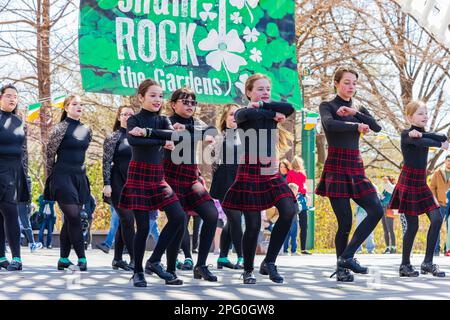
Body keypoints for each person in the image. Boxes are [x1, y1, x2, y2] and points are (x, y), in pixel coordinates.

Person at [222, 73, 297, 284]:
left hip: (270, 171)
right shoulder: (243, 112)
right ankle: (248, 269)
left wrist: (267, 109)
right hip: (250, 169)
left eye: (267, 89)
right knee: (254, 225)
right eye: (259, 89)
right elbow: (244, 116)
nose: (265, 93)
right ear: (248, 92)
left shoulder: (268, 110)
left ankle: (269, 262)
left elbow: (290, 108)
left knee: (289, 209)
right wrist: (269, 113)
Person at [315, 66, 384, 282]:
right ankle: (343, 268)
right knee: (344, 222)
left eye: (354, 83)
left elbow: (377, 127)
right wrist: (355, 126)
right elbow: (330, 124)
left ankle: (347, 257)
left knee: (376, 209)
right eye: (346, 82)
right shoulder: (327, 105)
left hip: (356, 165)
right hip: (336, 165)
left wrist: (356, 113)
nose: (350, 86)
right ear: (336, 83)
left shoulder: (358, 107)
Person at [119, 78, 187, 287]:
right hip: (139, 175)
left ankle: (155, 261)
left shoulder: (163, 120)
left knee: (178, 217)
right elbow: (135, 141)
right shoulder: (134, 120)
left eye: (160, 96)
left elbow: (174, 136)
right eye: (153, 95)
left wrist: (150, 134)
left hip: (158, 177)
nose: (158, 99)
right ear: (141, 97)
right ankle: (138, 271)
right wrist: (161, 140)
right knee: (144, 226)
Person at [163, 87, 219, 282]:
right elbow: (171, 136)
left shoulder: (195, 122)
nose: (190, 106)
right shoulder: (166, 121)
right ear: (173, 104)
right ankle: (170, 269)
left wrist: (188, 129)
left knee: (211, 214)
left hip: (191, 178)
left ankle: (201, 265)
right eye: (185, 102)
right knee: (178, 222)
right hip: (170, 178)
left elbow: (212, 132)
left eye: (193, 103)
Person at [389, 100, 448, 277]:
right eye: (421, 113)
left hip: (421, 183)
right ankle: (404, 265)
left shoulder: (422, 133)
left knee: (437, 218)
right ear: (409, 117)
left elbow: (437, 136)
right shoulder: (406, 134)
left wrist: (441, 139)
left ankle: (428, 263)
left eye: (426, 113)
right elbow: (421, 142)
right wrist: (439, 144)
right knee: (413, 226)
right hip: (408, 182)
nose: (425, 116)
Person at [44, 95, 92, 271]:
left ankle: (63, 259)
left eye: (81, 104)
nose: (79, 106)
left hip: (79, 177)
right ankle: (82, 257)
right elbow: (49, 155)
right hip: (61, 176)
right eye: (74, 104)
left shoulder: (87, 129)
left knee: (71, 220)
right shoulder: (60, 129)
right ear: (66, 107)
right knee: (74, 216)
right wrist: (50, 179)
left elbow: (83, 154)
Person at [210, 104, 244, 270]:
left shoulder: (245, 136)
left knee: (231, 221)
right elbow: (214, 161)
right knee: (235, 219)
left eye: (237, 114)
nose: (234, 117)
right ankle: (242, 256)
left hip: (242, 181)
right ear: (225, 118)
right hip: (225, 183)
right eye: (231, 114)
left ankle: (223, 257)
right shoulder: (220, 137)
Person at [0, 84, 30, 271]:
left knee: (10, 212)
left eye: (15, 97)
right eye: (9, 95)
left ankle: (17, 258)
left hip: (14, 171)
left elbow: (24, 151)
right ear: (1, 97)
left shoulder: (20, 122)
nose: (12, 99)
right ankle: (2, 256)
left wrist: (24, 175)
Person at [102, 105, 136, 271]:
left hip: (134, 183)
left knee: (125, 222)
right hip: (117, 183)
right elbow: (106, 162)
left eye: (130, 114)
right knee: (128, 220)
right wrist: (106, 183)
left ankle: (117, 259)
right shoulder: (113, 137)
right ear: (119, 117)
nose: (127, 117)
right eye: (124, 114)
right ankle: (135, 259)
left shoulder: (138, 136)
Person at [287, 156, 311, 255]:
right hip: (294, 198)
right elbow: (289, 185)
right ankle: (291, 248)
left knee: (304, 225)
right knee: (294, 225)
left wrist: (306, 195)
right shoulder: (291, 173)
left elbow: (304, 187)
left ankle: (303, 248)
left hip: (302, 198)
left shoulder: (302, 174)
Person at [430, 155, 450, 255]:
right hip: (440, 204)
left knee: (449, 228)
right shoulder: (438, 173)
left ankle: (448, 249)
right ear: (445, 161)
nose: (449, 163)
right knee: (436, 226)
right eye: (448, 161)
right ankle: (435, 249)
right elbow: (432, 187)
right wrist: (435, 200)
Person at [380, 176, 396, 254]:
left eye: (387, 180)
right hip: (383, 208)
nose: (385, 182)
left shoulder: (392, 188)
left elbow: (389, 198)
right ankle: (387, 248)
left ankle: (393, 247)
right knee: (385, 229)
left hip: (389, 208)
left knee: (390, 229)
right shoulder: (385, 190)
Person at [283, 183, 300, 255]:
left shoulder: (285, 199)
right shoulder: (294, 199)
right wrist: (299, 206)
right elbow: (297, 210)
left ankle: (285, 250)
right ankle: (293, 250)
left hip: (288, 221)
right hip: (294, 221)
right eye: (296, 191)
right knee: (294, 236)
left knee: (287, 236)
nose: (297, 192)